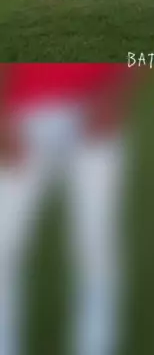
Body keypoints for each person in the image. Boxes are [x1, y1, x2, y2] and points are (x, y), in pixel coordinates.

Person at [0, 62, 131, 355]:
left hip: (94, 109)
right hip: (25, 112)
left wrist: (114, 94)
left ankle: (96, 346)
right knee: (4, 242)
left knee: (94, 243)